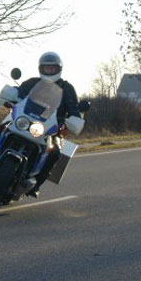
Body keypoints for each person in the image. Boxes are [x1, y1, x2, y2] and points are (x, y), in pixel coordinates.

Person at [17, 51, 82, 198]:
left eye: (52, 68)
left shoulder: (67, 88)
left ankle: (36, 185)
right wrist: (11, 94)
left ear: (58, 69)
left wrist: (74, 119)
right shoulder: (32, 83)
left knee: (55, 152)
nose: (49, 71)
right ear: (41, 68)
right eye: (46, 68)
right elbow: (18, 93)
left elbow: (73, 108)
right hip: (27, 121)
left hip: (52, 129)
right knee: (6, 127)